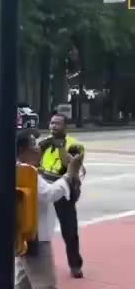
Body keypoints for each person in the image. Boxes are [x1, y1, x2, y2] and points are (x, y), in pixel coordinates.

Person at [14, 130, 83, 289]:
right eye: (33, 145)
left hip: (21, 234)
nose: (38, 149)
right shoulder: (27, 173)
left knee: (22, 285)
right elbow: (48, 195)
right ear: (23, 151)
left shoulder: (15, 169)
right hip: (36, 237)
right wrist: (69, 174)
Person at [39, 113, 84, 278]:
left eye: (57, 124)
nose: (53, 126)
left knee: (69, 230)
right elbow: (35, 162)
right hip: (45, 186)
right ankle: (38, 264)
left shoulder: (75, 145)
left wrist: (60, 147)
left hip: (64, 189)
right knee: (39, 228)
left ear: (66, 126)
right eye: (51, 123)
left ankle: (75, 265)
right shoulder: (45, 143)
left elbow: (70, 165)